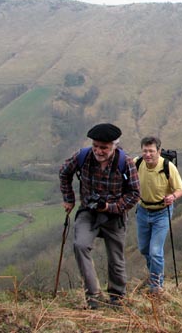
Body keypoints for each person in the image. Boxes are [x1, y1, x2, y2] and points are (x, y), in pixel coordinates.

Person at [59, 123, 140, 310]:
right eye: (96, 146)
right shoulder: (82, 156)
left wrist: (111, 207)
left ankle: (117, 297)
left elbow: (135, 193)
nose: (99, 151)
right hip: (88, 211)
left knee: (116, 258)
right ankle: (93, 295)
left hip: (114, 216)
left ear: (114, 145)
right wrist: (69, 199)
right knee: (80, 245)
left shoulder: (125, 162)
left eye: (104, 147)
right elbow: (64, 172)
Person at [135, 136, 182, 294]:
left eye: (151, 151)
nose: (148, 154)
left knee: (155, 250)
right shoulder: (137, 163)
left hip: (162, 213)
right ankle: (154, 275)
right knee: (144, 249)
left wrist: (173, 197)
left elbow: (181, 189)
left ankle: (156, 285)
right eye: (145, 151)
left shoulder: (168, 167)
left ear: (159, 151)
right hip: (142, 210)